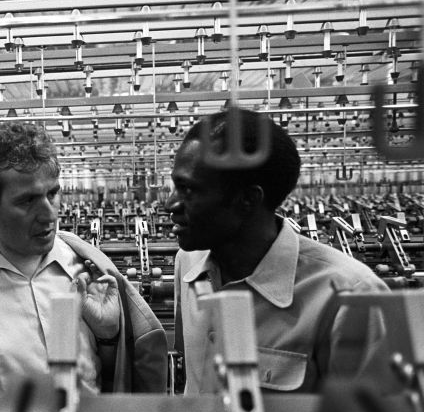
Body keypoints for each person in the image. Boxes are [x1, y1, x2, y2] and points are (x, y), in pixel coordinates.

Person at [0, 122, 166, 393]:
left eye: (53, 194)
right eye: (27, 201)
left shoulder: (88, 269)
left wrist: (110, 338)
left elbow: (116, 380)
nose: (49, 214)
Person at [168, 108, 392, 395]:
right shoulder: (188, 263)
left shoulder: (350, 297)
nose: (170, 204)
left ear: (248, 199)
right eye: (175, 185)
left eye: (188, 189)